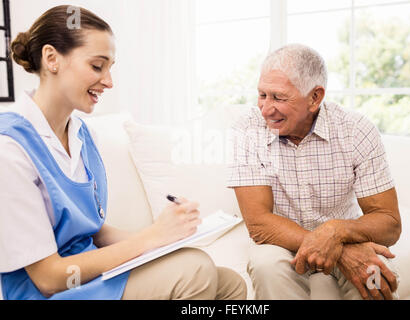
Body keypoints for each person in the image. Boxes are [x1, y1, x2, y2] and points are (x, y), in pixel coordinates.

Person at [0, 5, 246, 300]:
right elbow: (48, 278)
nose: (108, 81)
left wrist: (165, 236)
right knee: (195, 269)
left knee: (230, 283)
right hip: (52, 291)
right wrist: (150, 237)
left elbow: (94, 231)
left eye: (110, 67)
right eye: (97, 66)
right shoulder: (10, 148)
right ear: (52, 59)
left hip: (89, 277)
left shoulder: (81, 134)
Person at [227, 43, 401, 300]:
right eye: (262, 95)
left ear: (314, 97)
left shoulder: (356, 129)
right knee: (266, 266)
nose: (265, 109)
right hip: (279, 242)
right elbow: (259, 223)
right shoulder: (248, 128)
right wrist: (336, 248)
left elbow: (389, 222)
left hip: (348, 236)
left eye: (278, 97)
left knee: (376, 274)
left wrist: (336, 233)